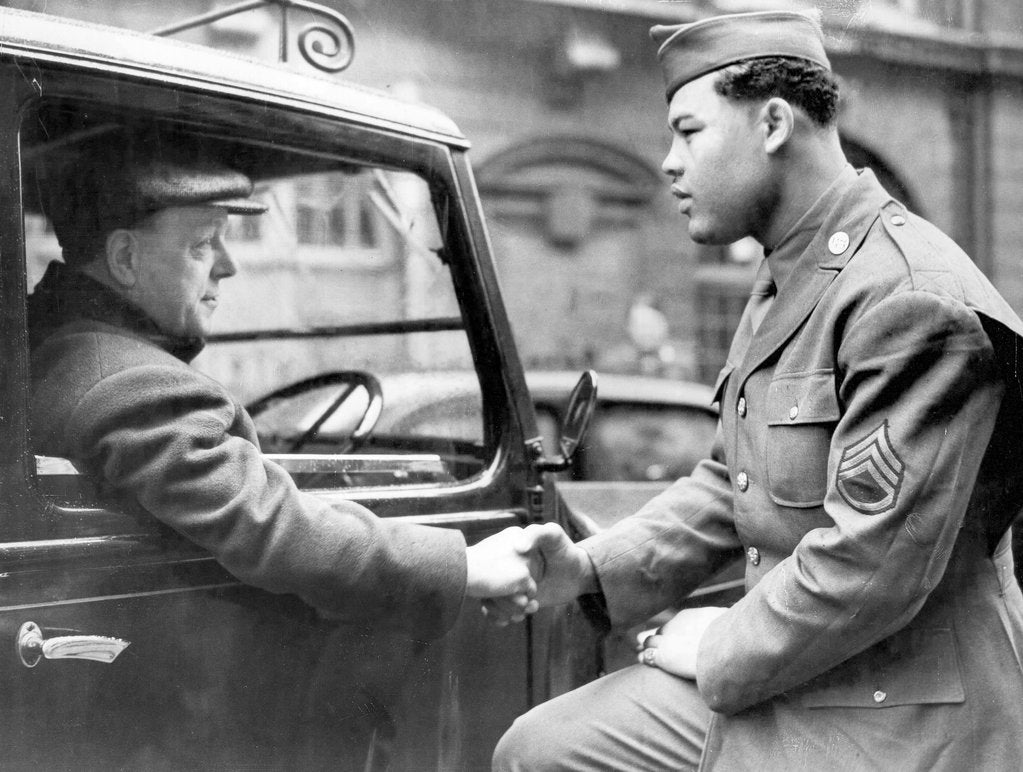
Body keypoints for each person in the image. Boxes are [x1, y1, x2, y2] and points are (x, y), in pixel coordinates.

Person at [491, 9, 1023, 770]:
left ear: (772, 123)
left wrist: (714, 642)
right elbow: (728, 484)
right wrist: (589, 567)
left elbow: (872, 566)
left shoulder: (908, 298)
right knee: (541, 750)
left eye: (688, 130)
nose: (668, 163)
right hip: (805, 660)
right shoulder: (788, 273)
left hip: (903, 697)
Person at [28, 138, 546, 640]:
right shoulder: (130, 383)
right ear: (124, 259)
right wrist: (463, 565)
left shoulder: (60, 347)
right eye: (203, 244)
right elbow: (270, 524)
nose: (228, 266)